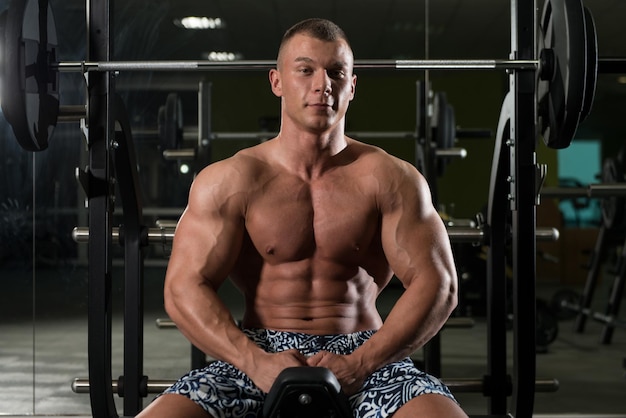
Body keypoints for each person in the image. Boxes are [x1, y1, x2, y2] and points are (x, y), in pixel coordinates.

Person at [137, 18, 467, 418]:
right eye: (306, 69)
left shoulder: (391, 179)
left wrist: (362, 363)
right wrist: (254, 361)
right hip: (257, 354)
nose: (322, 85)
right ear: (277, 82)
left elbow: (440, 284)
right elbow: (182, 287)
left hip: (368, 354)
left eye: (336, 72)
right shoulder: (233, 179)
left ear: (352, 86)